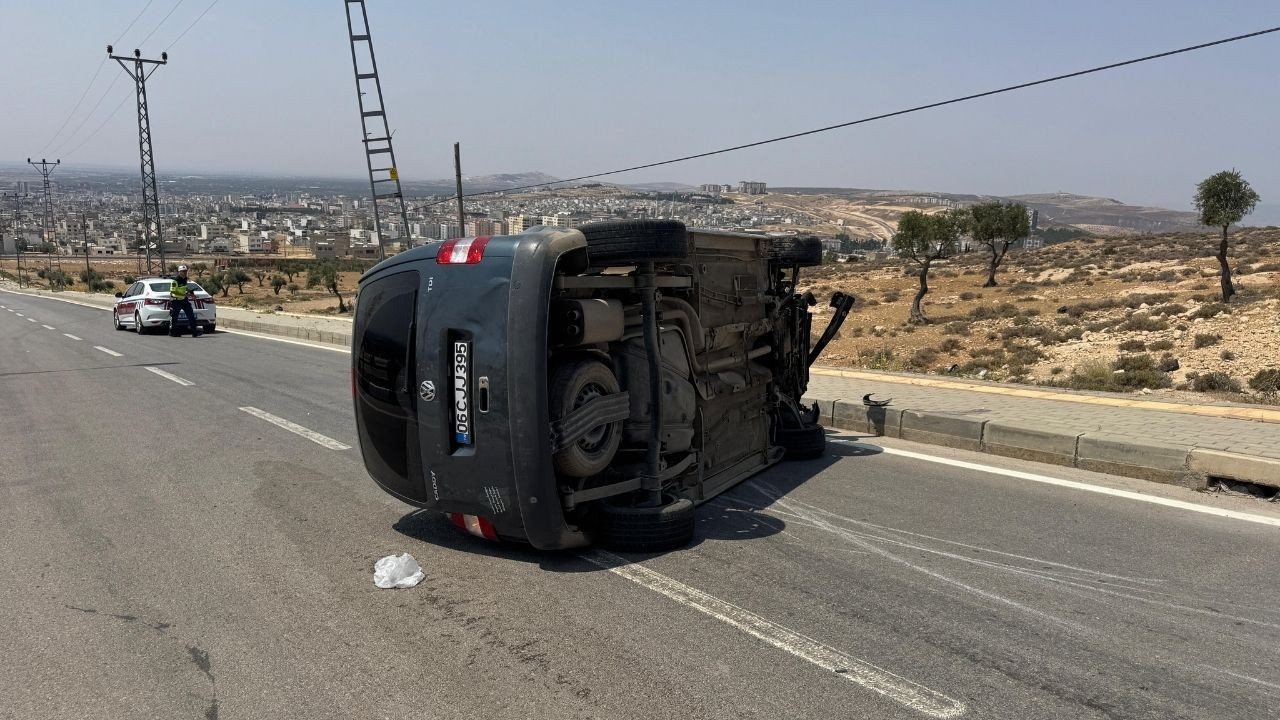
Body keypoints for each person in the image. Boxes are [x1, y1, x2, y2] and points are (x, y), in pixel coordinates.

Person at [169, 265, 202, 337]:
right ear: (179, 272)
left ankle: (194, 332)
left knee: (191, 316)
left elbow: (186, 289)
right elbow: (173, 292)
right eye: (183, 271)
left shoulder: (185, 280)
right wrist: (185, 294)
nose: (184, 272)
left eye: (185, 271)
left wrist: (191, 294)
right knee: (175, 317)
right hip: (176, 301)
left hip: (184, 300)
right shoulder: (175, 281)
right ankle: (173, 332)